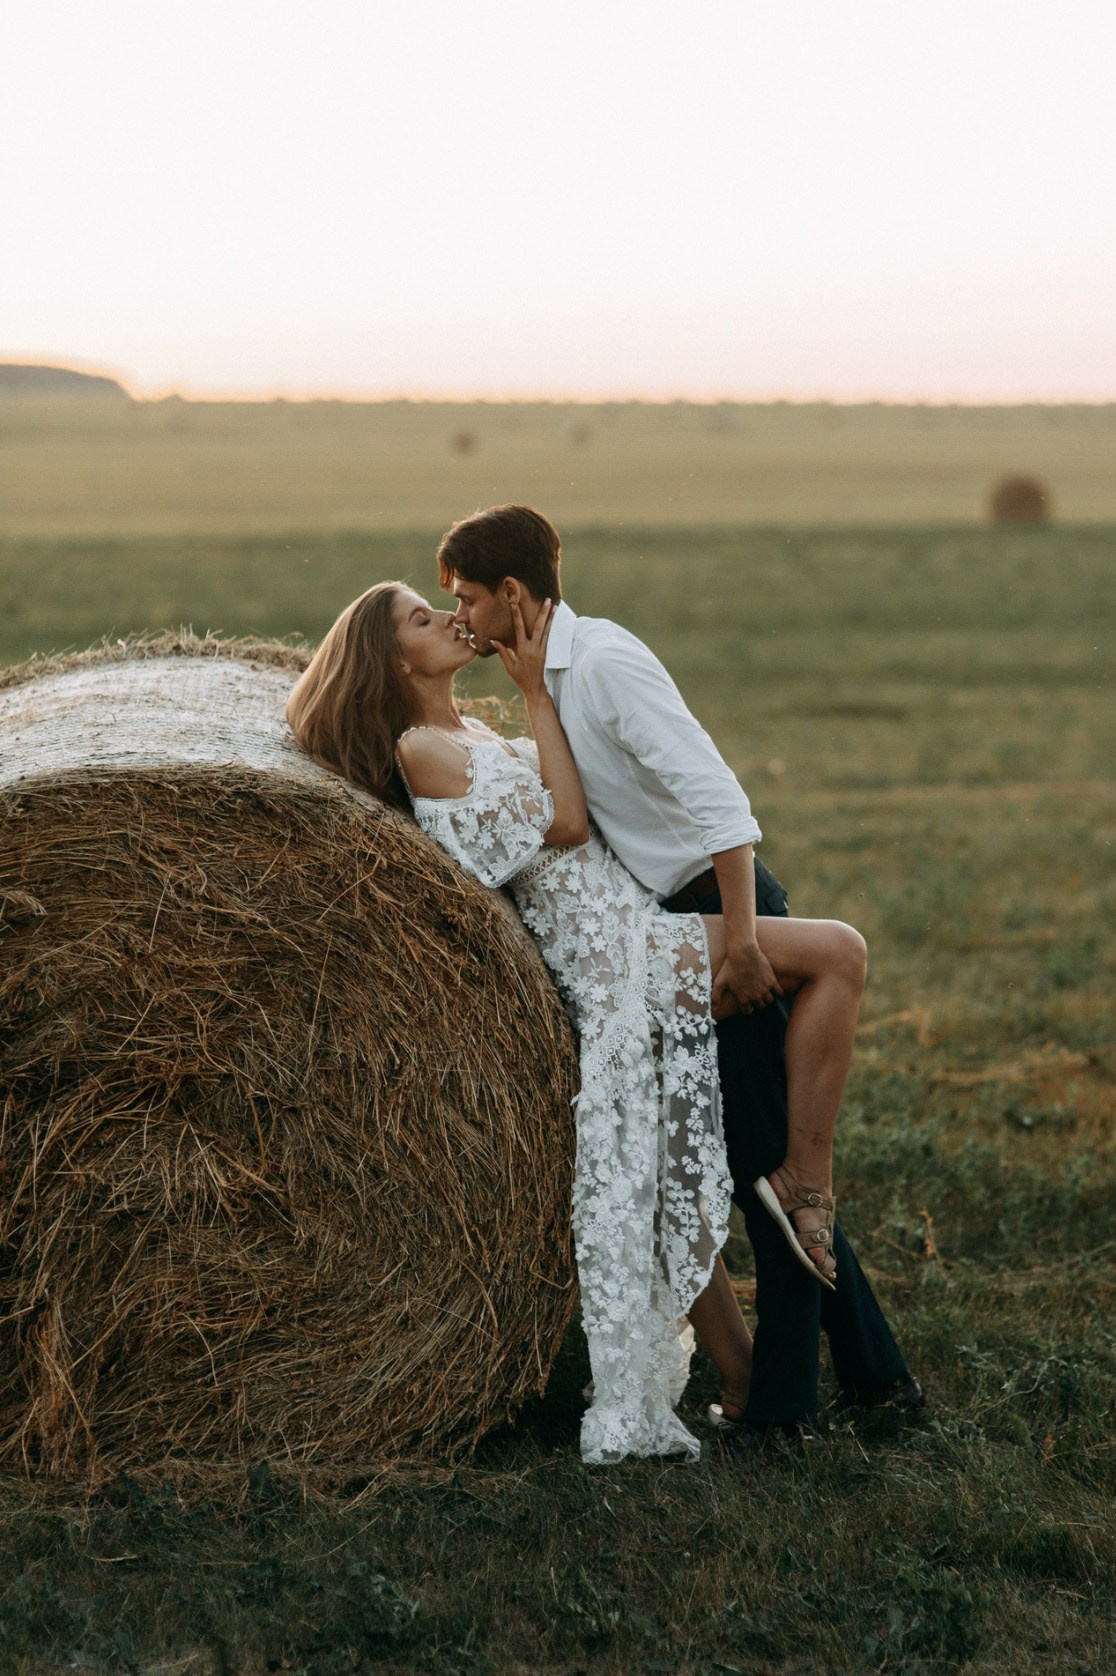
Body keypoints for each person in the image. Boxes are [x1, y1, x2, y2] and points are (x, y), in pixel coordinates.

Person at [285, 580, 870, 1463]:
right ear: (391, 660)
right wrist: (535, 694)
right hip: (614, 951)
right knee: (839, 952)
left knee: (660, 1161)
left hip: (620, 934)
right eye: (419, 618)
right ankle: (805, 1176)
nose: (447, 619)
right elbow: (563, 820)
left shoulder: (468, 733)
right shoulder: (421, 748)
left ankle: (748, 1375)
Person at [439, 505, 923, 1445]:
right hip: (681, 923)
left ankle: (782, 1414)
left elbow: (717, 798)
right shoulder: (543, 674)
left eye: (465, 598)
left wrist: (743, 940)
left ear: (513, 593)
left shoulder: (608, 663)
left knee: (763, 1170)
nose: (457, 615)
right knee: (760, 1162)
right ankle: (878, 1381)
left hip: (725, 908)